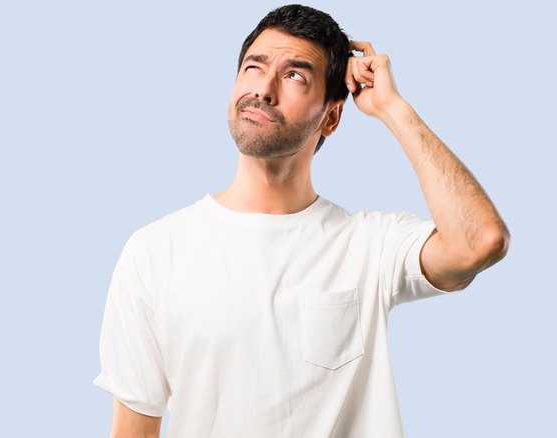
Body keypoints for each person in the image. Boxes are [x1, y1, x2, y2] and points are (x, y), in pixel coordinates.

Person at [93, 4, 510, 437]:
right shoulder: (155, 252)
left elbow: (480, 241)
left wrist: (391, 107)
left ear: (331, 116)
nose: (265, 89)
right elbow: (133, 431)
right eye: (254, 67)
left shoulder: (371, 245)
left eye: (294, 75)